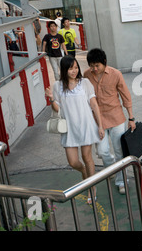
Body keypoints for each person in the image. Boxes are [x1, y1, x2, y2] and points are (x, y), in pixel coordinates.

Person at [45, 55, 104, 204]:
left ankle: (92, 188)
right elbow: (57, 108)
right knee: (73, 162)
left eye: (76, 67)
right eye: (71, 68)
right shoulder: (57, 86)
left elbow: (94, 105)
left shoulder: (84, 83)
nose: (74, 71)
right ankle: (84, 171)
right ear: (64, 70)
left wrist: (100, 125)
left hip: (86, 124)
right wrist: (51, 99)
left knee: (87, 157)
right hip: (69, 127)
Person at [84, 48, 136, 194]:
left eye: (97, 66)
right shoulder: (87, 75)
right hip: (97, 120)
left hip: (116, 117)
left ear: (104, 63)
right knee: (102, 151)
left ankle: (121, 181)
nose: (94, 69)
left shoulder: (115, 74)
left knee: (120, 151)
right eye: (91, 66)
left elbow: (126, 96)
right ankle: (113, 168)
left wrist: (131, 117)